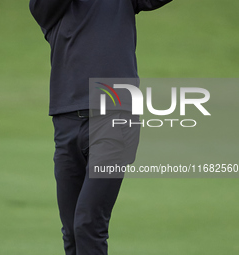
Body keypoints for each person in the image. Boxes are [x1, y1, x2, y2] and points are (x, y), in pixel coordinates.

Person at [29, 1, 173, 254]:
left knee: (88, 223)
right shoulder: (47, 7)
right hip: (66, 123)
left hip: (115, 118)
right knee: (72, 231)